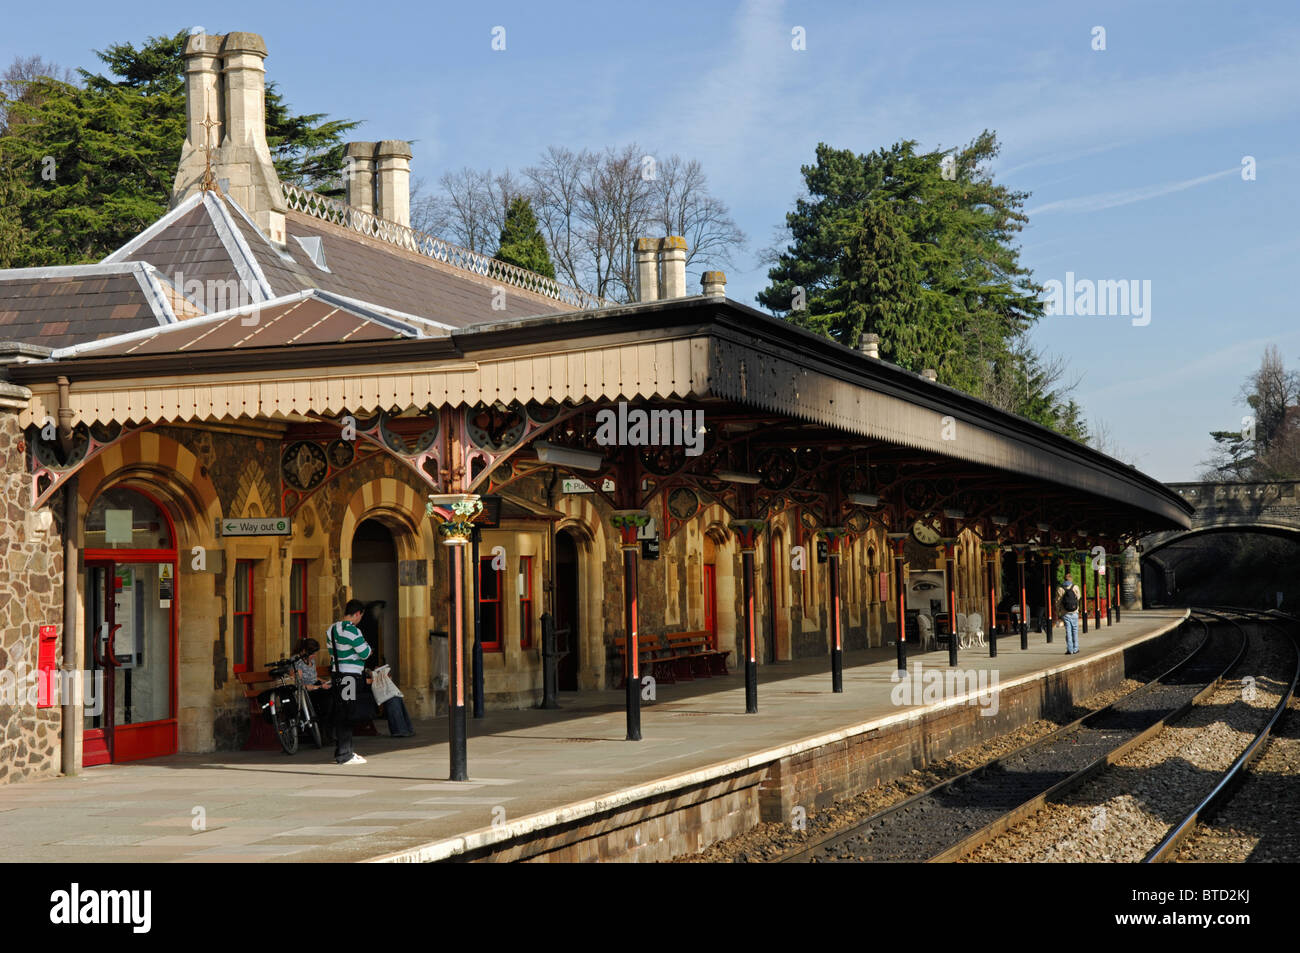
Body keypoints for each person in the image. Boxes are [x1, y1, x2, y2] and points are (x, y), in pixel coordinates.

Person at [326, 600, 371, 764]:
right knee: (348, 713)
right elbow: (365, 653)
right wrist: (365, 647)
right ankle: (345, 754)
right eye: (361, 616)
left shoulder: (331, 629)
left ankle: (342, 751)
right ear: (358, 613)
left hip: (337, 675)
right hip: (349, 677)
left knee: (341, 711)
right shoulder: (353, 631)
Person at [293, 638, 333, 741]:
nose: (314, 656)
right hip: (307, 692)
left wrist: (323, 681)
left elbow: (314, 677)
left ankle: (327, 731)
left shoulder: (311, 660)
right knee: (328, 699)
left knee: (333, 694)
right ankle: (323, 732)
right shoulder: (297, 662)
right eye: (312, 653)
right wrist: (318, 687)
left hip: (316, 687)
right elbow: (299, 684)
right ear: (304, 651)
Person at [1057, 572, 1082, 655]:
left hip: (1065, 612)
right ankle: (1076, 648)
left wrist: (1058, 612)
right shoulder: (1075, 587)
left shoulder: (1060, 589)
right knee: (1075, 630)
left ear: (1064, 579)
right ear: (1071, 579)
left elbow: (1058, 601)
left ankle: (1069, 649)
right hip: (1074, 612)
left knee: (1068, 630)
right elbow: (1078, 597)